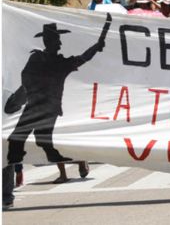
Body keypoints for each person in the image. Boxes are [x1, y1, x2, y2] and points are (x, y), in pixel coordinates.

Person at [5, 19, 108, 166]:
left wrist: (96, 47)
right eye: (56, 40)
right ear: (48, 41)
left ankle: (30, 158)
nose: (59, 44)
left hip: (45, 105)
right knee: (24, 136)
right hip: (39, 104)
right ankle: (19, 161)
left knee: (35, 136)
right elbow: (26, 78)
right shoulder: (40, 59)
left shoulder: (58, 62)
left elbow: (82, 59)